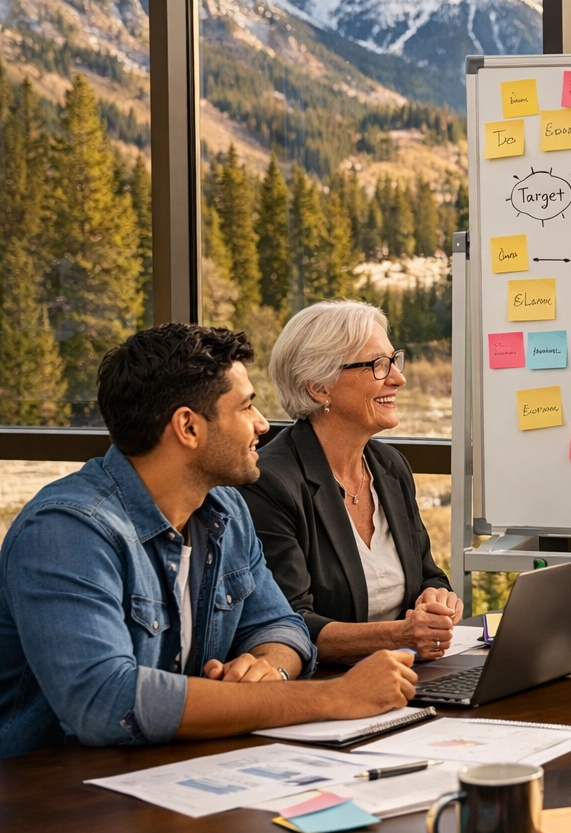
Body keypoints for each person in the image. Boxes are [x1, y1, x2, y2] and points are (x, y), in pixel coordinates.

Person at [0, 324, 418, 759]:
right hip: (51, 800)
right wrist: (330, 698)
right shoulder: (67, 531)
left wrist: (266, 667)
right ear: (188, 427)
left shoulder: (224, 510)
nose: (261, 425)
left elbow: (283, 626)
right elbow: (106, 701)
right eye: (246, 407)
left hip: (175, 773)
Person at [240, 301, 464, 664]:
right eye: (378, 365)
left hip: (408, 676)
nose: (398, 378)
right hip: (330, 690)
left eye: (394, 360)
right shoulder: (270, 483)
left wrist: (437, 599)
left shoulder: (389, 466)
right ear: (319, 388)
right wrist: (398, 636)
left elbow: (429, 575)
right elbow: (289, 624)